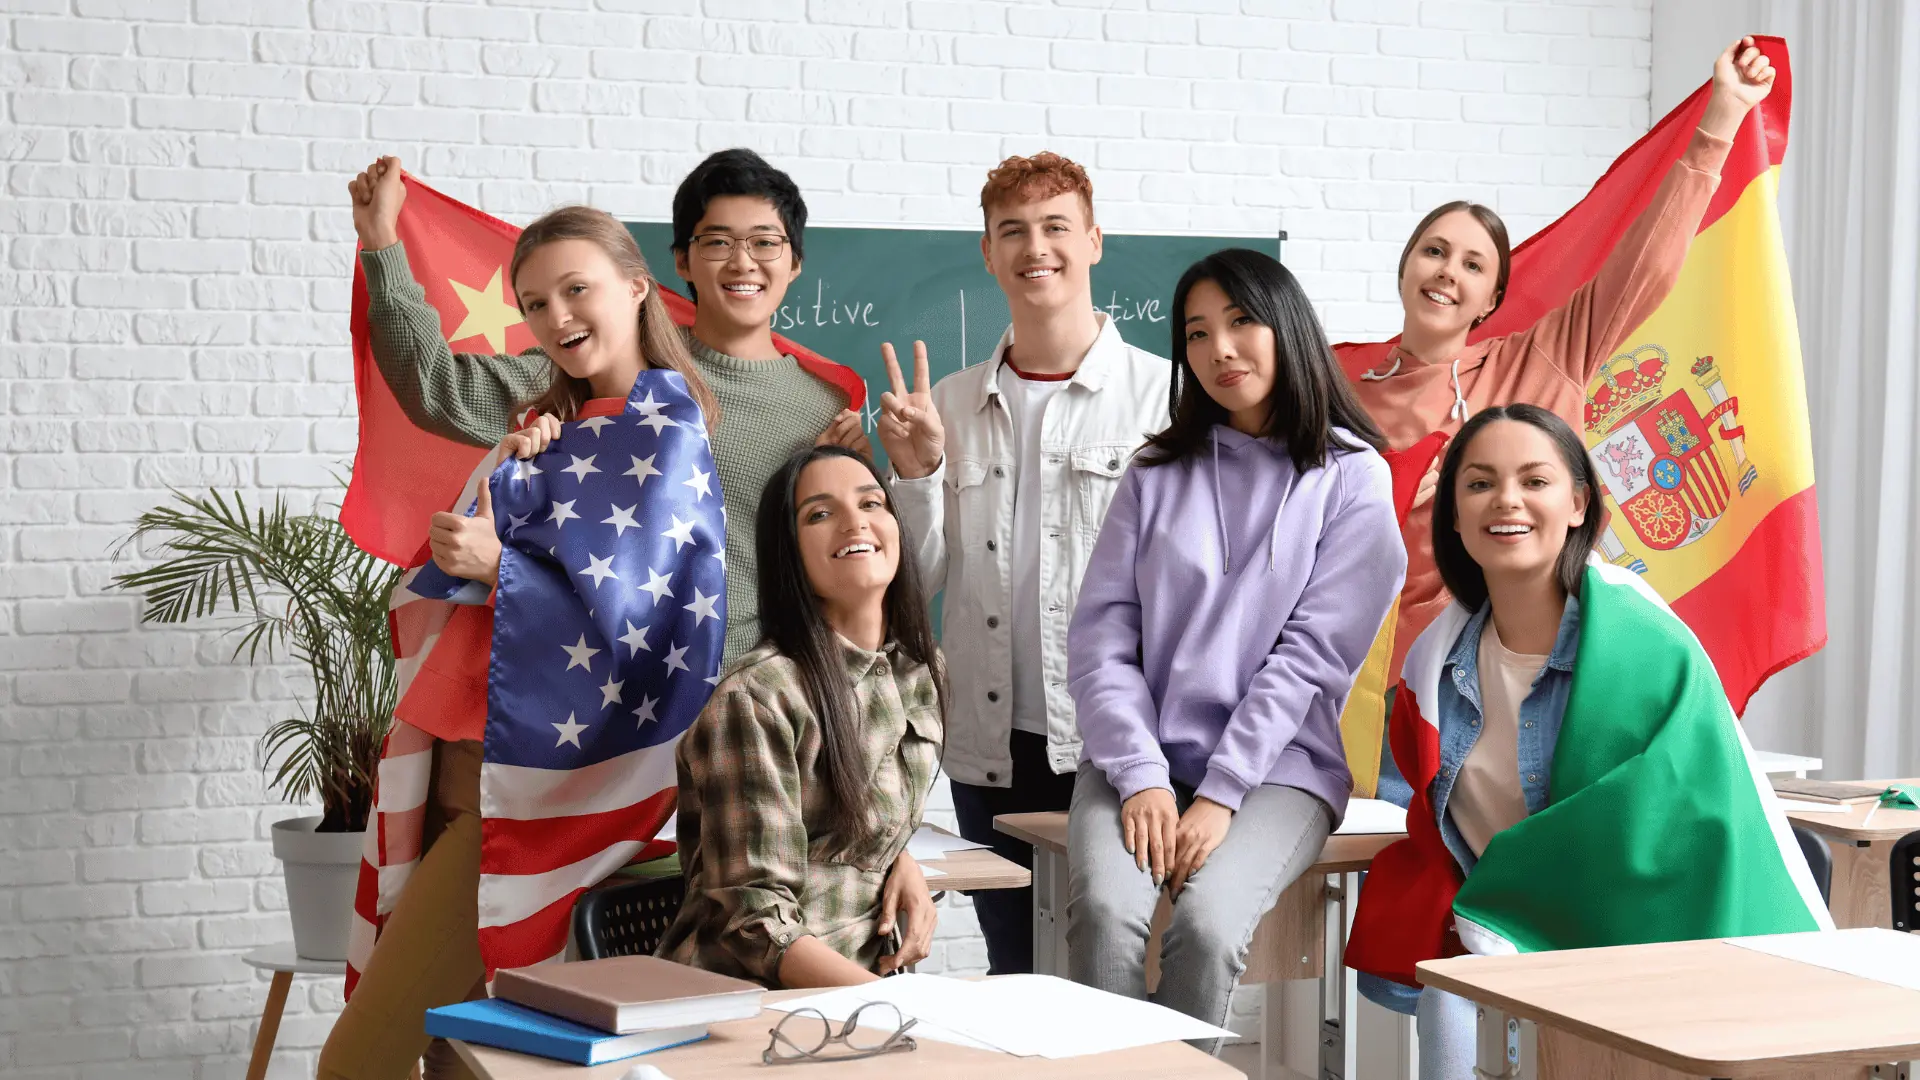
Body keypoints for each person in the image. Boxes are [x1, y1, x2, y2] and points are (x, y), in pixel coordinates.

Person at [320, 206, 725, 1080]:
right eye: (534, 304)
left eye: (576, 290)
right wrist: (510, 473)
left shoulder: (664, 425)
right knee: (456, 1061)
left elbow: (637, 617)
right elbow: (467, 568)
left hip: (520, 783)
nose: (557, 318)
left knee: (359, 1063)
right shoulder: (560, 422)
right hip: (457, 757)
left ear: (638, 286)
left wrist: (506, 560)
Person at [1343, 38, 1777, 805]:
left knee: (1506, 878)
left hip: (1506, 680)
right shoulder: (1337, 380)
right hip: (1363, 687)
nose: (1448, 271)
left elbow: (1647, 260)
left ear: (1492, 297)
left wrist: (1722, 119)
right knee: (1383, 883)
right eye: (1434, 251)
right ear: (1405, 265)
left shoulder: (1540, 361)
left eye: (1473, 264)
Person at [1345, 405, 1831, 1078]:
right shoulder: (1434, 668)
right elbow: (1425, 824)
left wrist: (1496, 918)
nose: (1506, 500)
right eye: (1480, 484)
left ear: (1578, 503)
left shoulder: (1646, 650)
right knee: (1447, 997)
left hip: (1648, 952)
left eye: (1535, 481)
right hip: (1509, 955)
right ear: (1454, 516)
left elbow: (1656, 835)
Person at [1065, 249, 1405, 1050]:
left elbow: (1312, 658)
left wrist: (1219, 794)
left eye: (1242, 321)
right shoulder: (1154, 471)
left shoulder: (1354, 478)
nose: (1220, 349)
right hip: (1138, 758)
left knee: (1209, 928)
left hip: (1279, 766)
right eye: (1196, 333)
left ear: (1286, 325)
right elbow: (1101, 639)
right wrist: (1144, 774)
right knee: (1109, 914)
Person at [347, 148, 868, 664]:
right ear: (680, 260)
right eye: (717, 242)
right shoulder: (612, 359)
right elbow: (438, 389)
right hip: (603, 686)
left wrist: (834, 477)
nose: (742, 261)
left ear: (795, 261)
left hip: (746, 693)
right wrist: (382, 242)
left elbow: (834, 571)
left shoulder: (825, 407)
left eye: (764, 242)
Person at [878, 151, 1172, 975]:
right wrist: (919, 473)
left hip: (1118, 742)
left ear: (1093, 241)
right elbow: (919, 584)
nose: (1034, 247)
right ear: (988, 252)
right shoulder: (948, 405)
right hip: (991, 743)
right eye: (1012, 230)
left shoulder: (1167, 399)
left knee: (1115, 967)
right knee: (1015, 969)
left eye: (1054, 227)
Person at [657, 446, 947, 987]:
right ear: (789, 551)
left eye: (872, 503)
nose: (854, 521)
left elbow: (853, 820)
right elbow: (754, 926)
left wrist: (895, 859)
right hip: (752, 1001)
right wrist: (909, 1015)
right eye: (820, 513)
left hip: (863, 992)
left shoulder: (918, 673)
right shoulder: (758, 697)